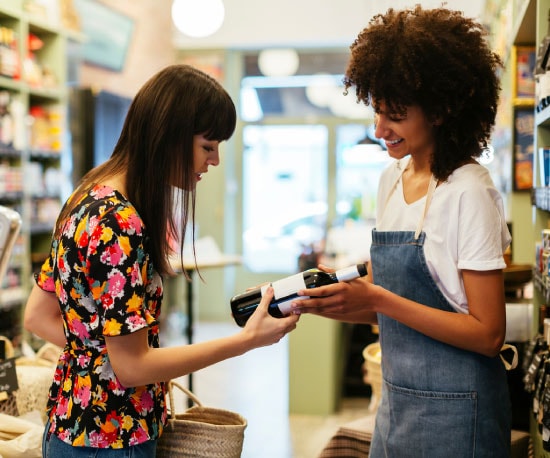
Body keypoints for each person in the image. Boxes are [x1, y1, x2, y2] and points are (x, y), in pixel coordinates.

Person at [23, 64, 299, 457]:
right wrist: (246, 341)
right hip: (114, 438)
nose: (215, 160)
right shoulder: (119, 223)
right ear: (169, 137)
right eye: (208, 146)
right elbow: (133, 367)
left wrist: (105, 362)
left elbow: (38, 315)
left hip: (69, 428)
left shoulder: (84, 198)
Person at [292, 6, 512, 457]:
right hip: (397, 405)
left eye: (394, 115)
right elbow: (393, 311)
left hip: (460, 414)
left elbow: (488, 333)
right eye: (376, 112)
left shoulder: (468, 191)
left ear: (441, 108)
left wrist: (375, 298)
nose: (379, 130)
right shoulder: (390, 181)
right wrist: (323, 302)